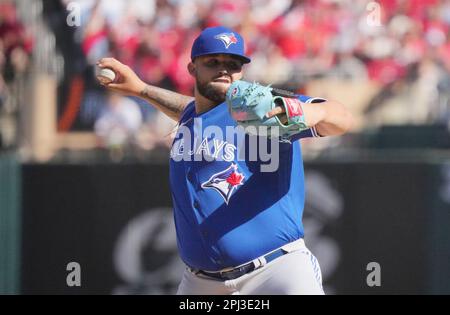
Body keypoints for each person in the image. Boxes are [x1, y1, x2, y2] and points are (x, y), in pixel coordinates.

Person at [97, 26, 354, 295]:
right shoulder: (191, 116)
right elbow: (190, 108)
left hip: (276, 272)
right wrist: (141, 89)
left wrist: (300, 111)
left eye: (233, 64)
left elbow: (341, 117)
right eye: (213, 62)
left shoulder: (261, 109)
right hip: (201, 284)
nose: (224, 70)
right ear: (192, 68)